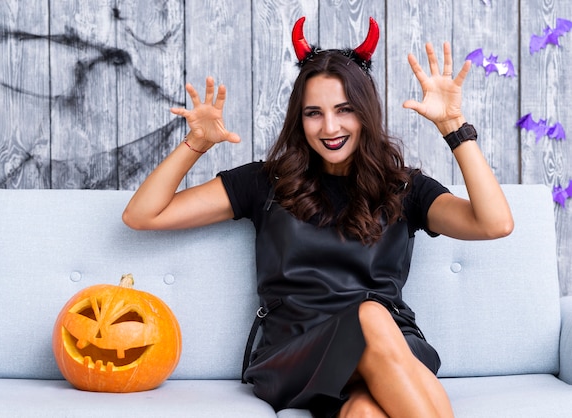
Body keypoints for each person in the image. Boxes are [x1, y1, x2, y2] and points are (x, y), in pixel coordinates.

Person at [122, 16, 513, 418]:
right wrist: (195, 144)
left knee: (364, 412)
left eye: (345, 110)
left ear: (365, 113)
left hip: (394, 346)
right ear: (299, 118)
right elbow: (143, 214)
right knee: (370, 315)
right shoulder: (264, 182)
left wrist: (453, 128)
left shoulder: (406, 187)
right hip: (296, 350)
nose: (330, 127)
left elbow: (494, 224)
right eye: (314, 113)